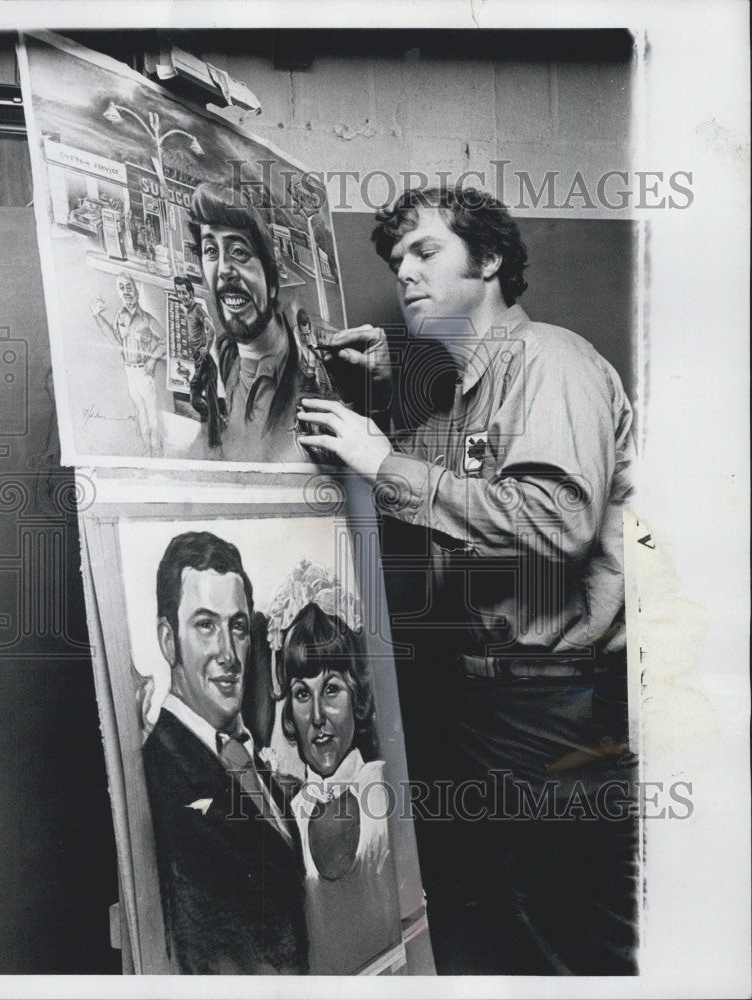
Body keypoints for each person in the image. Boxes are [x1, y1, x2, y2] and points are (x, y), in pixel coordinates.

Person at [297, 186, 637, 975]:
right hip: (496, 705)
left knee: (586, 940)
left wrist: (384, 460)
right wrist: (382, 394)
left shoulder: (549, 360)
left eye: (425, 252)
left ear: (487, 260)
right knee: (521, 932)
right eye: (395, 260)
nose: (405, 274)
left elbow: (556, 524)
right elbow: (451, 504)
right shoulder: (456, 402)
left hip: (559, 706)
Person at [142, 531, 308, 974]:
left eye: (237, 626)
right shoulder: (160, 772)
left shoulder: (244, 754)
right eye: (204, 625)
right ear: (167, 639)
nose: (228, 653)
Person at [279, 602, 401, 975]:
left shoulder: (387, 788)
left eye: (331, 689)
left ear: (357, 696)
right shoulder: (290, 819)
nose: (317, 716)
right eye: (302, 694)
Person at [186, 184, 335, 463]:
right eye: (210, 251)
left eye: (239, 251)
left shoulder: (315, 370)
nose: (224, 269)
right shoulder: (217, 363)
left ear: (272, 272)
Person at [90, 272, 166, 456]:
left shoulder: (147, 319)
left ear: (136, 292)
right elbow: (115, 339)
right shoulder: (119, 318)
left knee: (152, 411)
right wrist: (97, 317)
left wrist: (153, 359)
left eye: (129, 287)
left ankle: (157, 449)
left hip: (144, 372)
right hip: (129, 371)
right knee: (139, 410)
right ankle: (146, 449)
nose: (126, 292)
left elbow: (165, 341)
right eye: (122, 288)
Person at [172, 275, 227, 446]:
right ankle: (217, 420)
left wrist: (206, 348)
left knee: (204, 398)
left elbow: (211, 329)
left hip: (205, 362)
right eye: (178, 293)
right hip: (198, 361)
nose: (181, 296)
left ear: (191, 293)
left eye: (184, 293)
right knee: (196, 398)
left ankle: (217, 431)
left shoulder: (197, 309)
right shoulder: (187, 311)